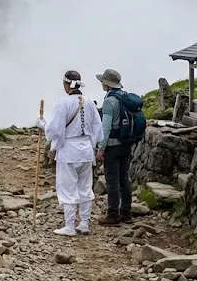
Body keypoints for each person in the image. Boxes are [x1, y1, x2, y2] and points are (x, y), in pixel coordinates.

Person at [36, 70, 103, 236]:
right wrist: (92, 144)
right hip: (86, 149)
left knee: (67, 188)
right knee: (85, 187)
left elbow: (54, 130)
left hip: (69, 150)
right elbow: (97, 128)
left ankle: (70, 226)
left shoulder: (63, 104)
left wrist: (42, 124)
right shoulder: (89, 103)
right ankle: (85, 224)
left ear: (66, 85)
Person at [95, 68, 133, 225]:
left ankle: (112, 215)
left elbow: (106, 127)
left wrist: (101, 148)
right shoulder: (125, 96)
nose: (101, 84)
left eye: (103, 81)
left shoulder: (109, 101)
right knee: (124, 178)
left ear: (107, 84)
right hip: (126, 144)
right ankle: (126, 212)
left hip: (112, 146)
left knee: (112, 181)